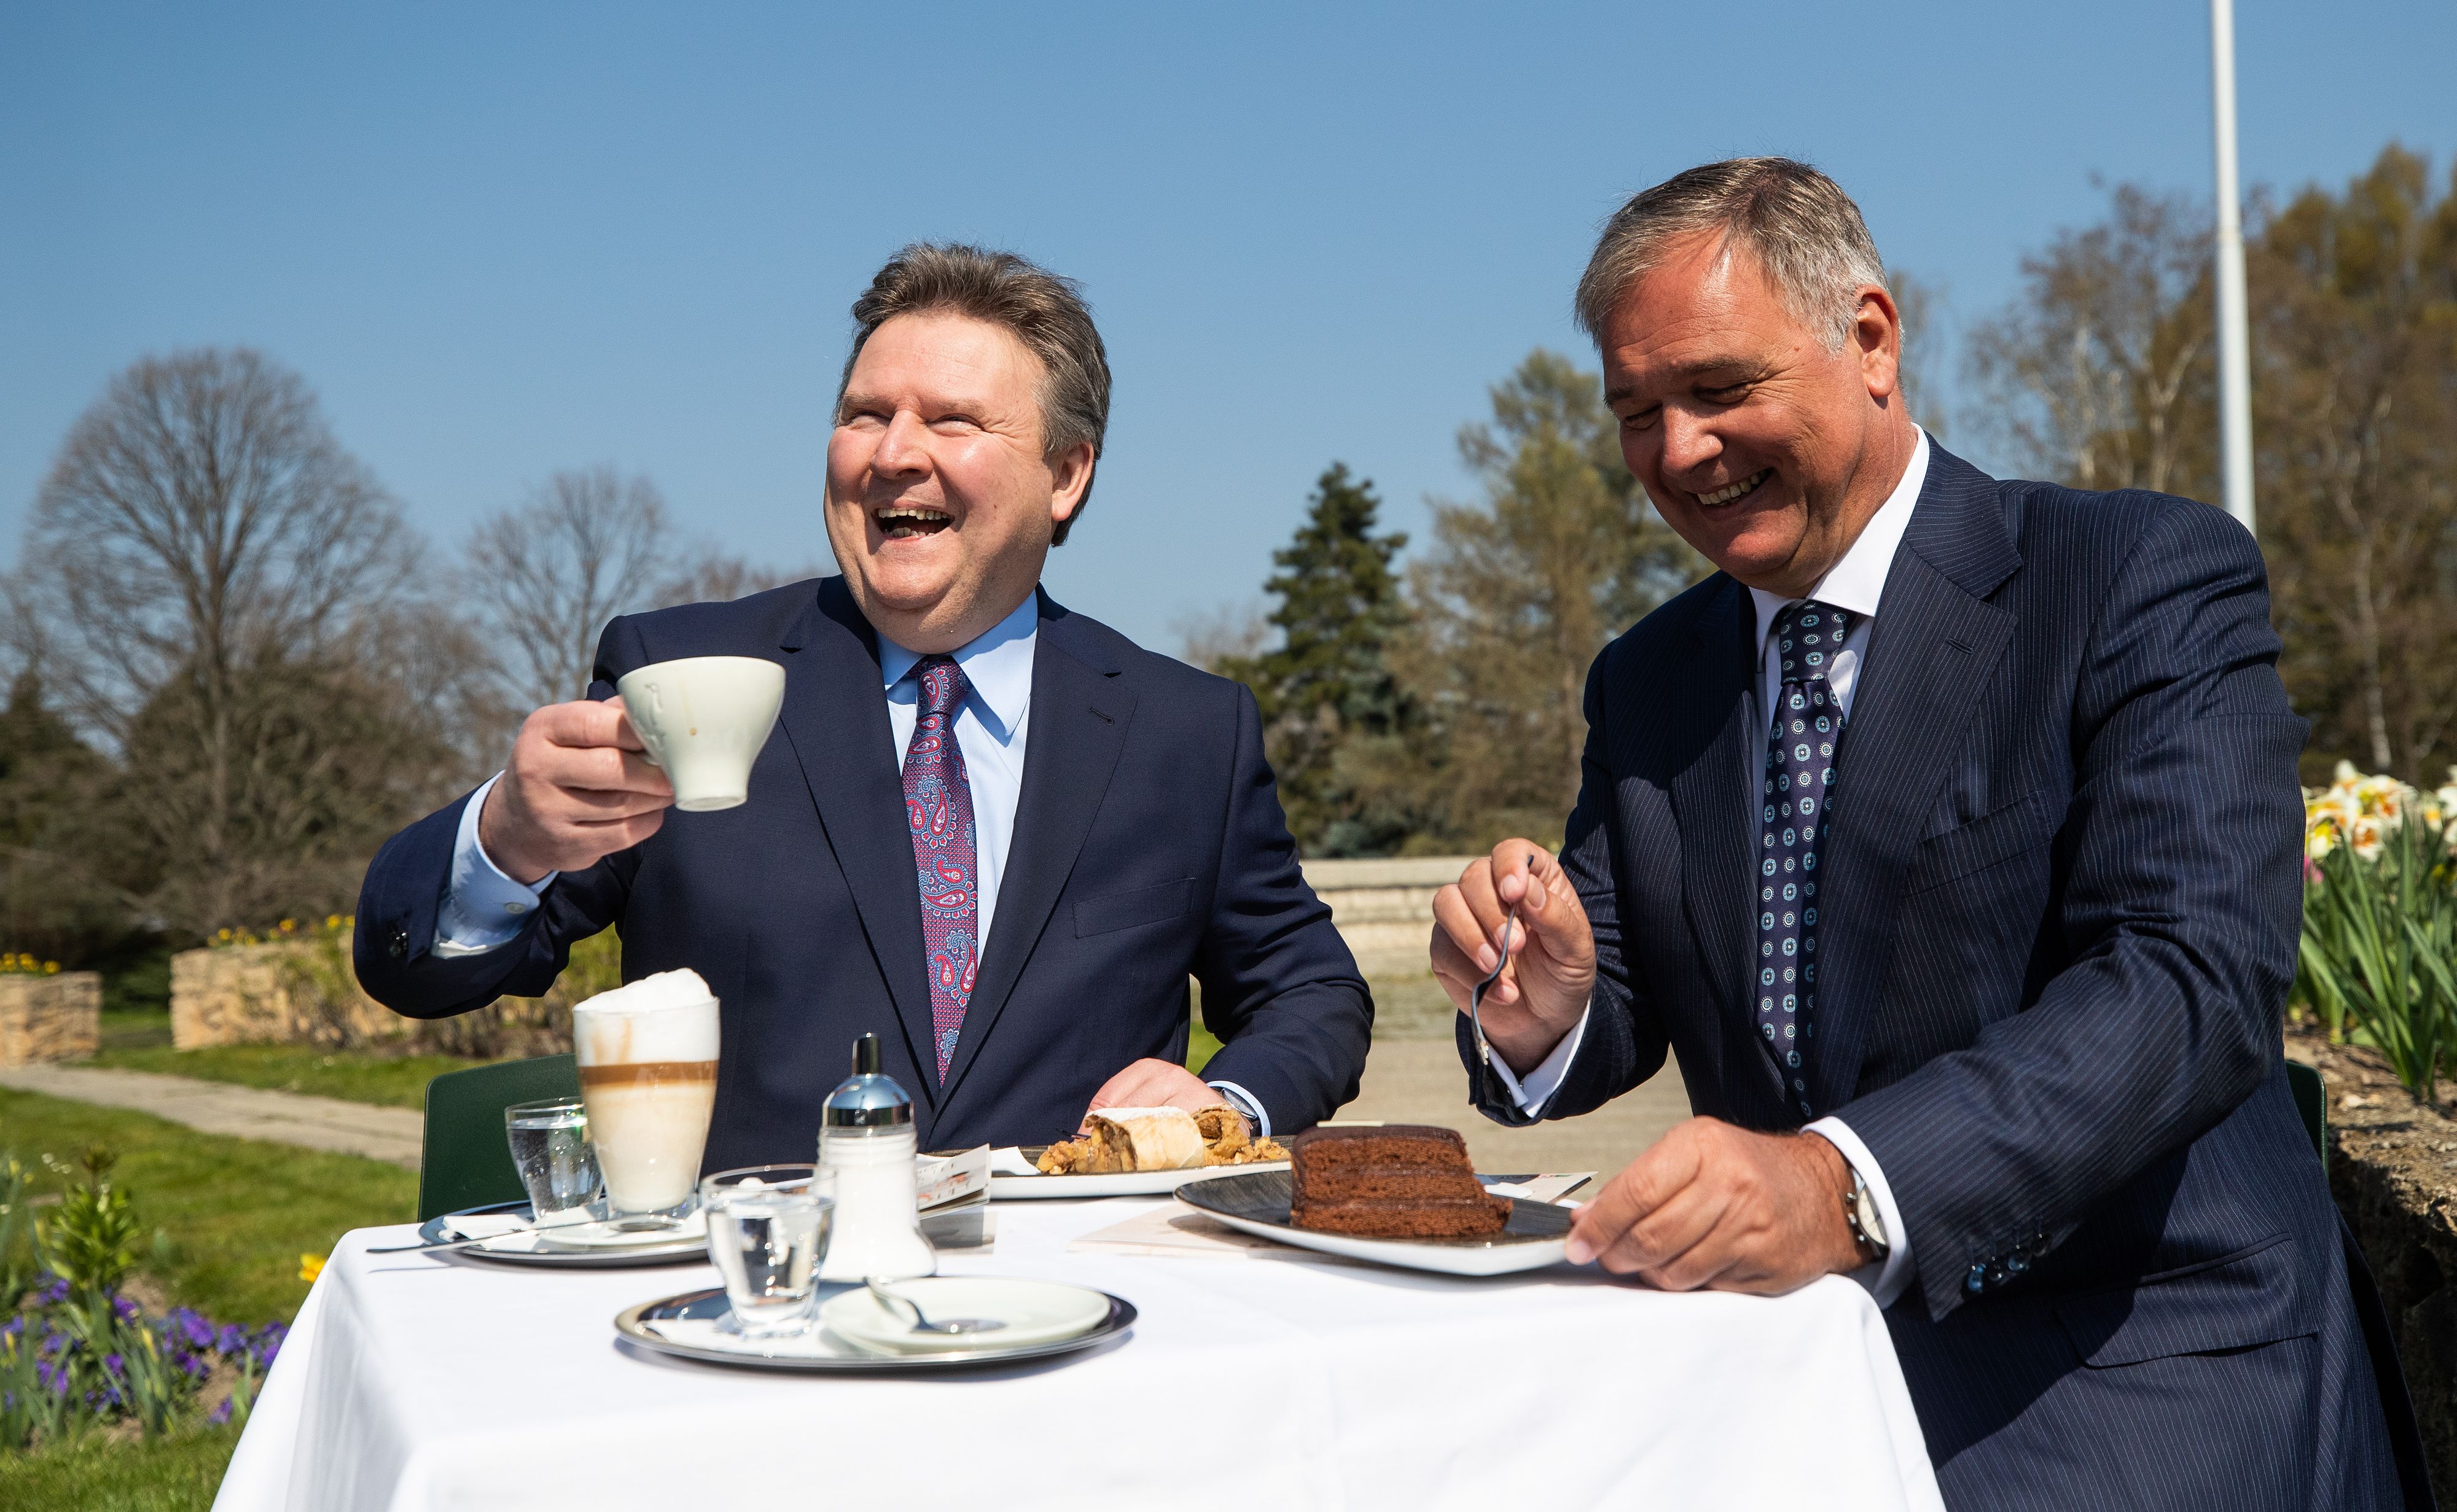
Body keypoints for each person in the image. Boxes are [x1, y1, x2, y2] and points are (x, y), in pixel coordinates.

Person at [1429, 160, 2426, 1508]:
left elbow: (2188, 985)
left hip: (2123, 1374)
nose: (1673, 454)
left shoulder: (2133, 577)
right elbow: (1614, 988)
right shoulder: (1645, 680)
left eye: (1718, 390)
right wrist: (1540, 1006)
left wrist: (1841, 1188)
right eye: (1634, 412)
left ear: (1871, 340)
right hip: (1783, 1371)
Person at [357, 244, 1370, 1162]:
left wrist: (1223, 1102)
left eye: (953, 420)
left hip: (1082, 1315)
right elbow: (426, 971)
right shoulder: (681, 677)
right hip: (763, 1316)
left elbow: (1313, 992)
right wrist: (507, 836)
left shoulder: (1186, 731)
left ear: (1067, 474)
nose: (893, 453)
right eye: (864, 414)